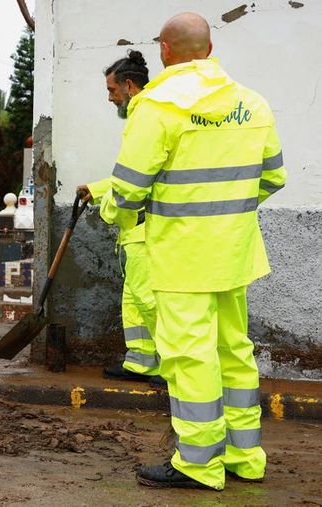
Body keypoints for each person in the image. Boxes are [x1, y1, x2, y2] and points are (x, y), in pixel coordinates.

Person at [107, 12, 286, 490]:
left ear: (165, 51)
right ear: (209, 49)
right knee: (234, 350)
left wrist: (117, 214)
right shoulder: (253, 103)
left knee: (188, 356)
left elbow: (127, 190)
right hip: (236, 253)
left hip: (182, 257)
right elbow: (273, 176)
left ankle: (198, 462)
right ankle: (244, 457)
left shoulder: (159, 104)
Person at [77, 50, 164, 385]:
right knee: (134, 300)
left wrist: (110, 209)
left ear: (129, 86)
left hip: (145, 229)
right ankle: (141, 363)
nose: (110, 98)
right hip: (136, 232)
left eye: (112, 91)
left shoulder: (146, 116)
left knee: (147, 299)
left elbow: (134, 184)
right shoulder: (143, 115)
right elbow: (131, 174)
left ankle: (174, 365)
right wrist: (97, 189)